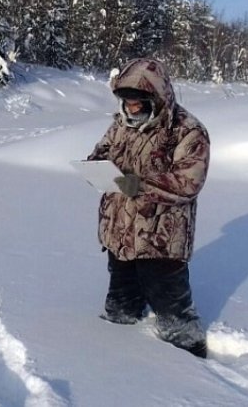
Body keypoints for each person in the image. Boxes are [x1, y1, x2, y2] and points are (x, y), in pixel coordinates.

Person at [86, 57, 210, 358]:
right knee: (120, 312)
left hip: (161, 241)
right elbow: (100, 153)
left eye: (138, 103)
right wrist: (94, 170)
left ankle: (193, 370)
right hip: (120, 236)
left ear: (157, 97)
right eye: (126, 102)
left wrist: (139, 184)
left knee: (175, 318)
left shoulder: (187, 131)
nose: (131, 109)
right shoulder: (120, 126)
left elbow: (188, 182)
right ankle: (121, 367)